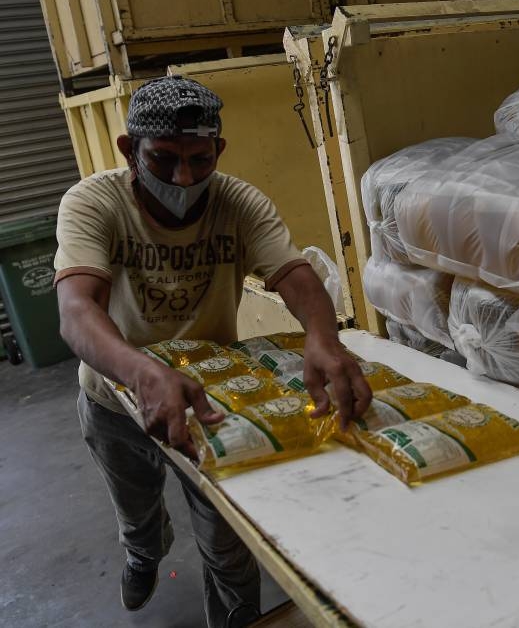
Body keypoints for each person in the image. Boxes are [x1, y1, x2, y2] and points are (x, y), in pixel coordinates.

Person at [54, 76, 372, 627]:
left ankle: (234, 616)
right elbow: (77, 310)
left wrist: (323, 338)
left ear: (218, 151)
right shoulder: (94, 203)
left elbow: (296, 277)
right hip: (113, 401)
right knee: (136, 507)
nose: (184, 179)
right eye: (163, 159)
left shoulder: (239, 203)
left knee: (228, 536)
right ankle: (144, 554)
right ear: (129, 150)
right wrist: (143, 372)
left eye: (199, 160)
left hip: (210, 402)